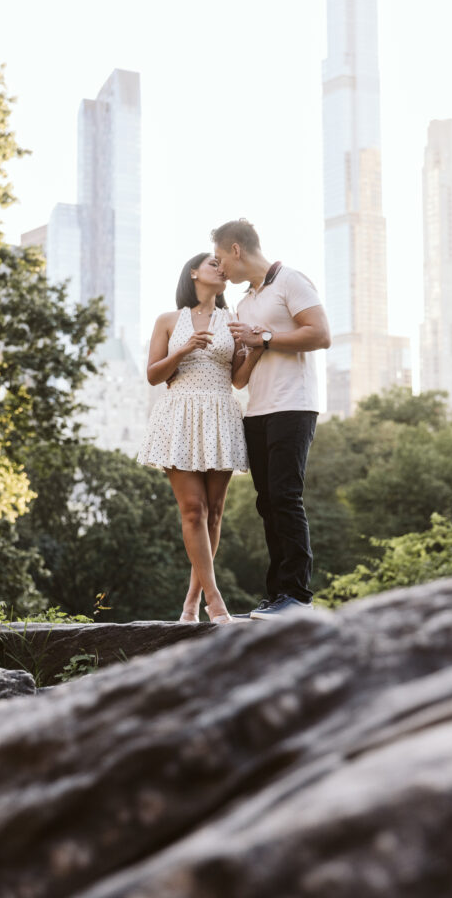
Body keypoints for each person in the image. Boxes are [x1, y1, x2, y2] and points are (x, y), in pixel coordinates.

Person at [211, 219, 331, 618]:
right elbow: (242, 379)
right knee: (267, 502)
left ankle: (297, 596)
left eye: (219, 258)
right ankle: (277, 594)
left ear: (236, 250)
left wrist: (265, 339)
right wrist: (250, 348)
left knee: (285, 497)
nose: (219, 267)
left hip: (293, 406)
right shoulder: (244, 303)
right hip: (258, 410)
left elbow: (320, 335)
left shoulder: (291, 281)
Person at [137, 252, 261, 624]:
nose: (220, 268)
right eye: (212, 263)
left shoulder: (233, 318)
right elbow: (154, 376)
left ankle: (192, 602)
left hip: (220, 413)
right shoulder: (168, 320)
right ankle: (216, 602)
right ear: (193, 272)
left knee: (214, 512)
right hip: (179, 415)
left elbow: (238, 379)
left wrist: (254, 351)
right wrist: (185, 348)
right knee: (193, 510)